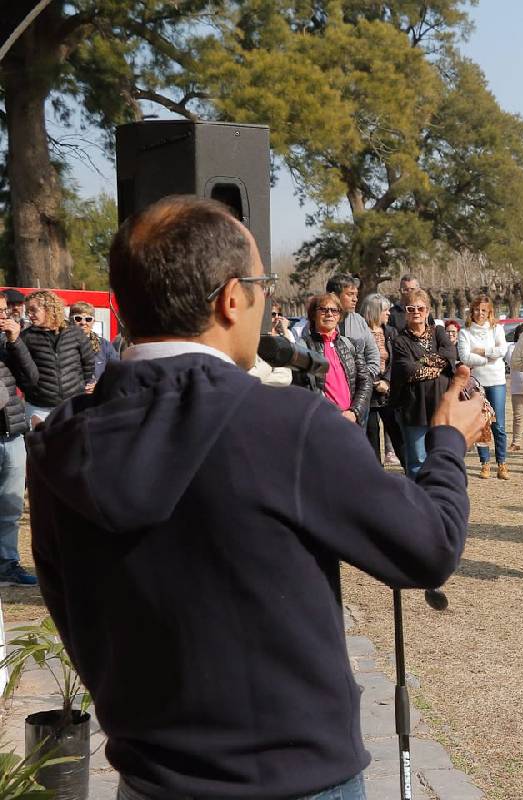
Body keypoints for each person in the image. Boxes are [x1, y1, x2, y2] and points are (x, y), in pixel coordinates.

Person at [26, 195, 486, 799]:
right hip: (298, 781)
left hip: (151, 779)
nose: (266, 297)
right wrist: (449, 442)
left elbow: (67, 609)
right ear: (230, 298)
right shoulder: (285, 424)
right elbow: (428, 547)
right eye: (262, 283)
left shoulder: (58, 441)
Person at [392, 288, 459, 476]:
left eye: (420, 309)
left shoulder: (438, 332)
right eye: (411, 308)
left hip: (441, 406)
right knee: (417, 461)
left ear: (428, 311)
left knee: (440, 457)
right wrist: (436, 366)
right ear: (406, 312)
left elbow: (450, 354)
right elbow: (408, 370)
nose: (416, 313)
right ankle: (418, 501)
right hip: (414, 409)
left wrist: (420, 361)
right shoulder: (400, 341)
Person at [0, 292, 38, 586]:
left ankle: (8, 563)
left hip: (11, 432)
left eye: (5, 311)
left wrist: (16, 342)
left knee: (11, 505)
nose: (4, 316)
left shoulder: (8, 342)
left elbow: (30, 380)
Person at [19, 290, 94, 425]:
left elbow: (88, 364)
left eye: (33, 310)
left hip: (72, 405)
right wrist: (33, 391)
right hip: (39, 408)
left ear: (49, 308)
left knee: (72, 445)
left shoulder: (75, 333)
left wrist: (78, 388)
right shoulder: (26, 337)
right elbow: (20, 370)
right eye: (28, 311)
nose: (29, 315)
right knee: (41, 446)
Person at [299, 293, 372, 427]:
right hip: (322, 424)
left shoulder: (350, 345)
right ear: (313, 315)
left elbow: (365, 381)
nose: (329, 314)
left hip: (351, 422)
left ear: (339, 316)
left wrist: (354, 412)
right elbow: (301, 389)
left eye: (334, 310)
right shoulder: (302, 348)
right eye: (323, 309)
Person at [458, 294, 509, 479]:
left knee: (499, 425)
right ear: (472, 311)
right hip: (477, 383)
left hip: (496, 381)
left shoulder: (496, 329)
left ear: (490, 313)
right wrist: (489, 358)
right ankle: (485, 462)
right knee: (481, 425)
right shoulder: (465, 332)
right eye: (477, 310)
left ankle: (502, 463)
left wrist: (482, 351)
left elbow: (502, 350)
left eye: (484, 311)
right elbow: (465, 357)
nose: (480, 313)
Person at [361, 293, 405, 467]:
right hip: (368, 392)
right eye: (385, 310)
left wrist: (386, 381)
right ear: (374, 311)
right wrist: (373, 382)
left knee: (396, 431)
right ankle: (375, 475)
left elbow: (397, 360)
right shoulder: (361, 333)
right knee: (371, 433)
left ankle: (411, 470)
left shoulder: (391, 332)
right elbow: (358, 361)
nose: (388, 314)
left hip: (388, 391)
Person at [326, 274, 380, 381]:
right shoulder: (318, 322)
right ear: (334, 296)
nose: (355, 299)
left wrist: (362, 382)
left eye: (356, 295)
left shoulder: (359, 321)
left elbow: (373, 356)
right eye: (350, 294)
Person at [69, 300, 119, 386]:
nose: (83, 323)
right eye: (78, 318)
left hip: (98, 397)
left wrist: (99, 386)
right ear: (70, 320)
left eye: (88, 319)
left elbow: (117, 373)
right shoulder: (62, 344)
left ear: (93, 322)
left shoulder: (104, 345)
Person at [506, 322, 523, 452]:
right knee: (518, 417)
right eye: (521, 335)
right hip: (517, 388)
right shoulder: (511, 347)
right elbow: (513, 361)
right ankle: (516, 442)